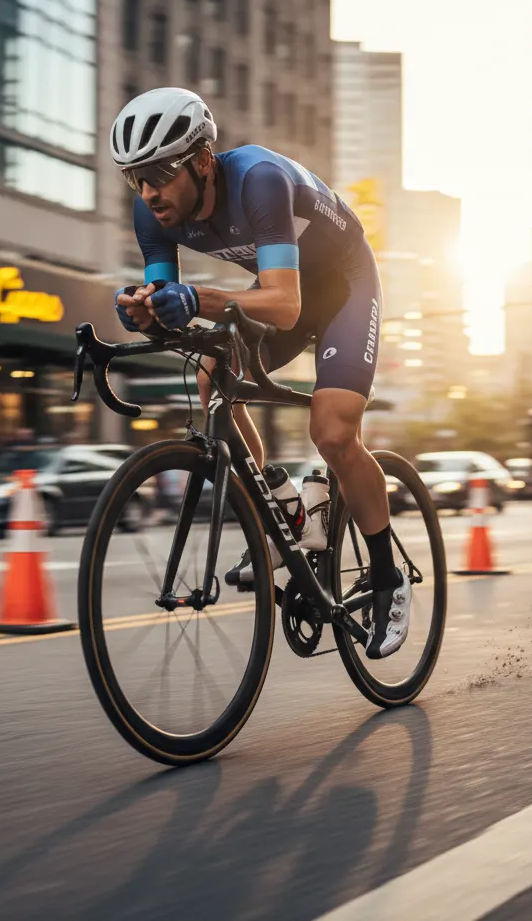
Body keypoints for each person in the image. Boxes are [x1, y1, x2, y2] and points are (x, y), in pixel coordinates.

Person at [110, 86, 408, 659]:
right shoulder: (154, 212)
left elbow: (285, 306)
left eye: (159, 174)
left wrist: (193, 297)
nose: (149, 193)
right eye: (135, 179)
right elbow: (168, 306)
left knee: (334, 433)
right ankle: (285, 502)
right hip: (282, 288)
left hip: (343, 283)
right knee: (209, 378)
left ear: (201, 160)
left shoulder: (258, 180)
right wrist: (145, 312)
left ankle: (386, 578)